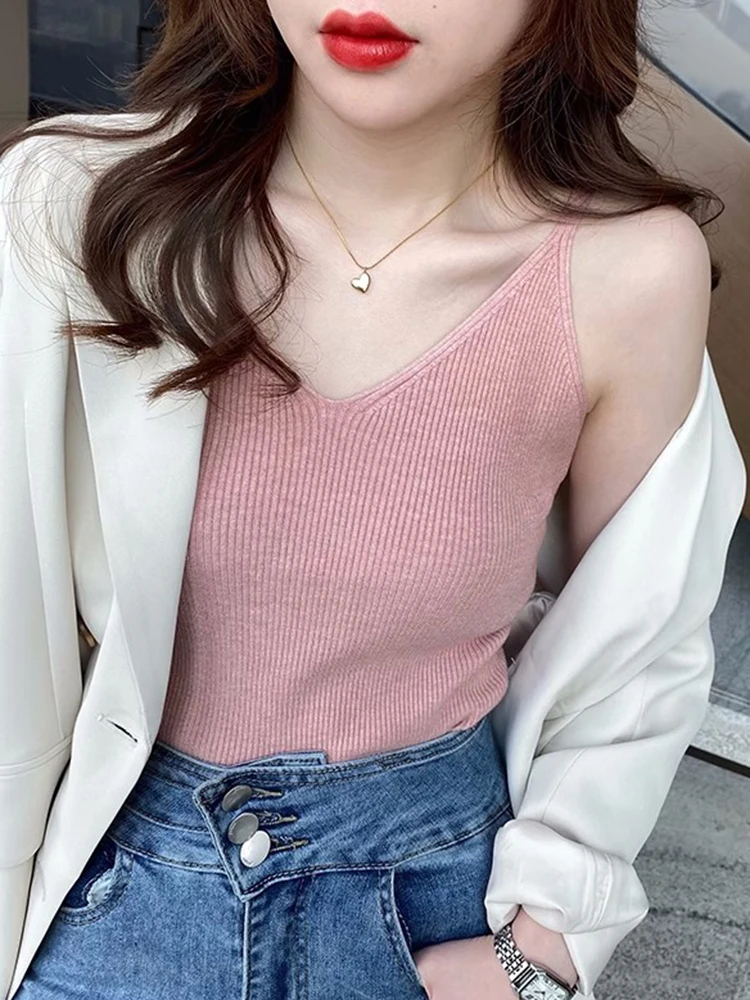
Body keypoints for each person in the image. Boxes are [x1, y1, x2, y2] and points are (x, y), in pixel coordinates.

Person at [0, 2, 743, 999]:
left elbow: (640, 640)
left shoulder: (626, 273)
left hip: (431, 904)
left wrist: (546, 944)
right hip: (110, 892)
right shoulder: (72, 206)